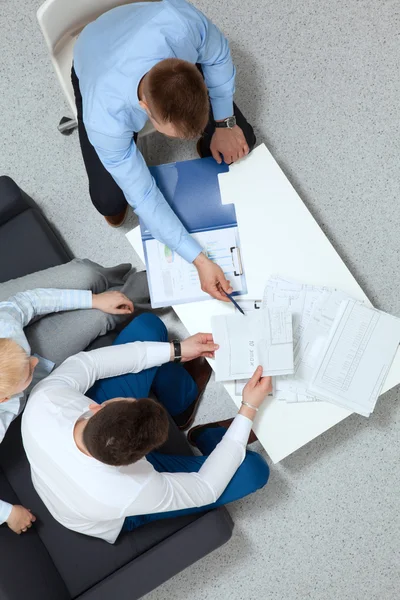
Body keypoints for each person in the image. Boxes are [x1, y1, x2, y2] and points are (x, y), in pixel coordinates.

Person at [22, 313, 270, 543]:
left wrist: (177, 351)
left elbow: (90, 363)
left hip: (89, 467)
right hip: (115, 511)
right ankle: (209, 436)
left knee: (148, 326)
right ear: (141, 459)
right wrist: (248, 407)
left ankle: (182, 403)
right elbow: (206, 489)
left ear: (98, 408)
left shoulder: (45, 401)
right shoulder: (133, 490)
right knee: (254, 471)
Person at [72, 0, 257, 303]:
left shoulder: (182, 22)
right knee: (110, 202)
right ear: (145, 110)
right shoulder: (104, 118)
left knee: (241, 137)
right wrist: (199, 260)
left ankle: (213, 138)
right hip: (92, 58)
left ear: (189, 68)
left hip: (140, 29)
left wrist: (224, 123)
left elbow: (219, 56)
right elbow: (144, 196)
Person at [0, 286, 133, 535]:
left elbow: (26, 300)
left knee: (91, 282)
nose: (35, 362)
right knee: (103, 317)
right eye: (29, 371)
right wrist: (8, 513)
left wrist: (94, 299)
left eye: (26, 357)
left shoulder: (5, 327)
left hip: (10, 322)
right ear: (4, 398)